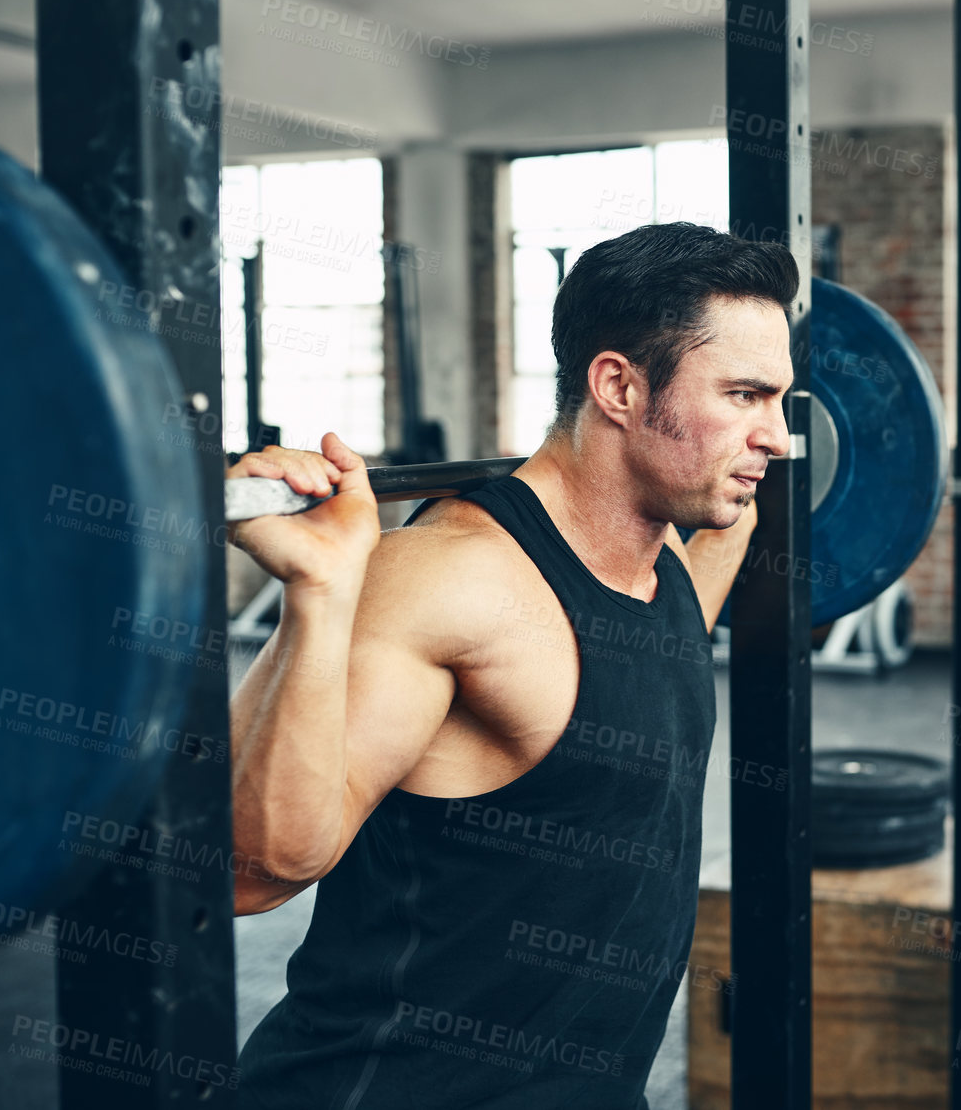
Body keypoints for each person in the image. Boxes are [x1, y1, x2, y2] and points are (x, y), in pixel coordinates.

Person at [228, 222, 797, 1108]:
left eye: (784, 400)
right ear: (616, 385)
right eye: (746, 395)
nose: (782, 437)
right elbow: (247, 872)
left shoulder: (673, 563)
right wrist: (320, 594)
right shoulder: (447, 579)